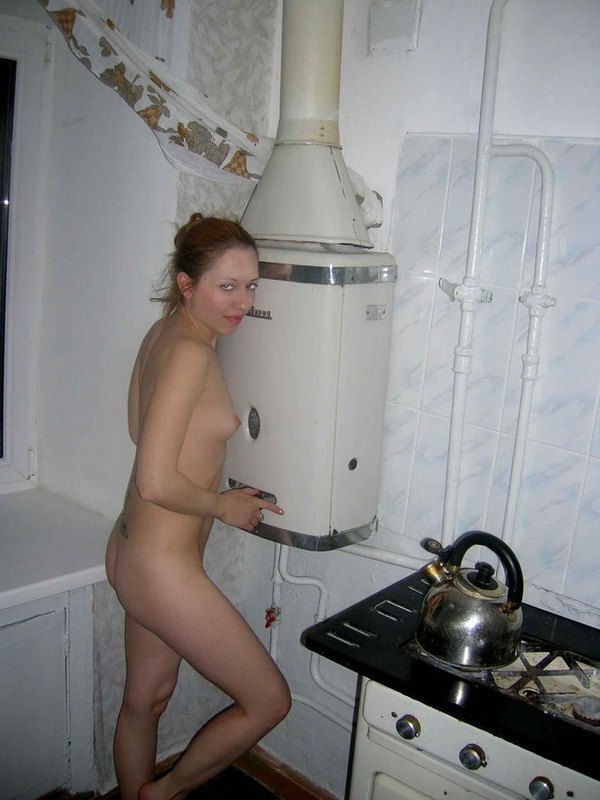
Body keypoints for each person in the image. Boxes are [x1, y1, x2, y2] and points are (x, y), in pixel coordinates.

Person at [105, 214, 291, 800]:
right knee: (268, 701)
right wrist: (221, 506)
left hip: (132, 550)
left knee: (146, 701)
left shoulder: (164, 333)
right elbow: (155, 480)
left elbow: (141, 432)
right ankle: (162, 794)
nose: (243, 302)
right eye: (226, 286)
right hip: (161, 569)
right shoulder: (189, 352)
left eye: (250, 285)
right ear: (187, 284)